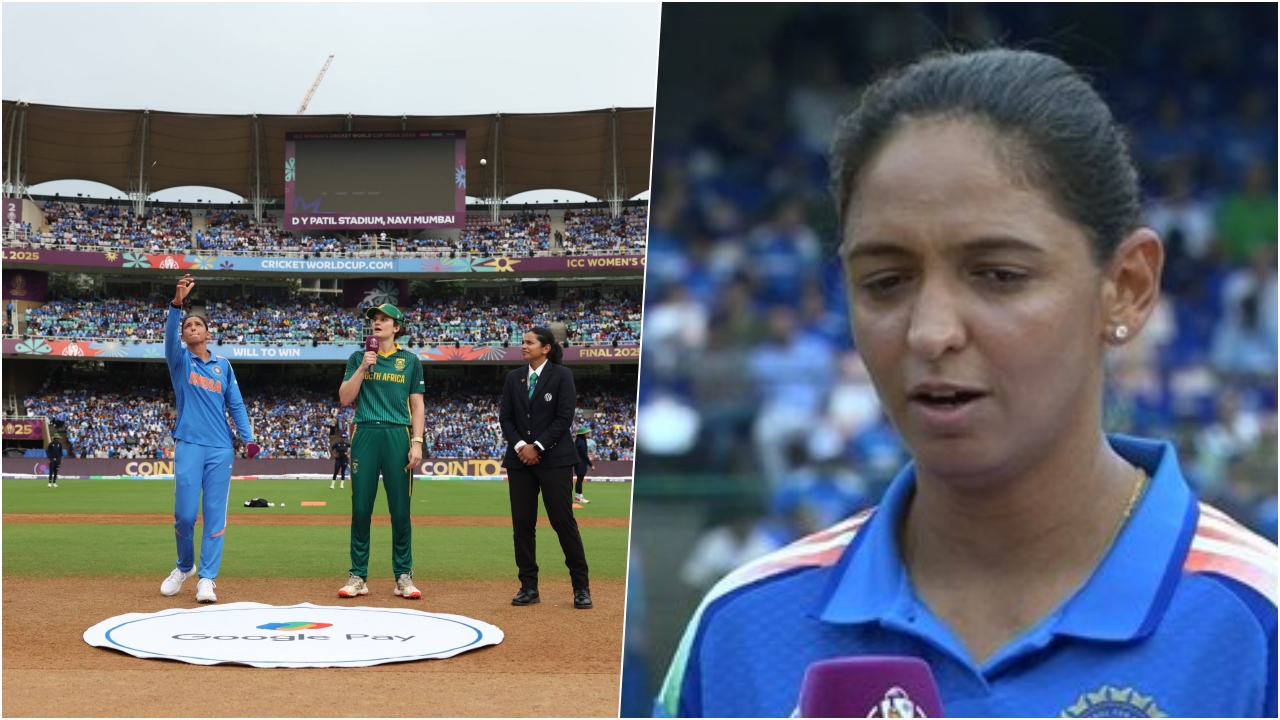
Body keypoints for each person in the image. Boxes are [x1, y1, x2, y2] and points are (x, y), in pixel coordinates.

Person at [658, 49, 1277, 718]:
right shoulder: (740, 630)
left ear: (1127, 288)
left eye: (999, 274)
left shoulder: (1255, 626)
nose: (930, 332)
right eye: (885, 282)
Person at [160, 274, 255, 604]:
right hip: (188, 443)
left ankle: (207, 579)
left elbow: (236, 404)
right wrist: (177, 304)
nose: (192, 329)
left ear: (208, 333)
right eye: (188, 326)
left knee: (215, 515)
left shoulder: (223, 366)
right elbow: (170, 336)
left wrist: (249, 437)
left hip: (220, 448)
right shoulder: (179, 361)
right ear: (184, 336)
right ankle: (184, 566)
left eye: (197, 325)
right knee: (185, 515)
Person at [336, 303, 425, 600]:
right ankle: (358, 576)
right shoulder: (357, 358)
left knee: (400, 510)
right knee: (361, 508)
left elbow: (417, 406)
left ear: (396, 327)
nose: (377, 323)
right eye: (374, 319)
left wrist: (417, 441)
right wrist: (363, 367)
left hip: (398, 434)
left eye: (384, 319)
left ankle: (403, 577)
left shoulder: (410, 360)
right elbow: (345, 399)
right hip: (365, 432)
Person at [499, 327, 592, 609]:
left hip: (555, 460)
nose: (523, 346)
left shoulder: (562, 376)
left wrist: (536, 447)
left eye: (529, 342)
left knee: (563, 522)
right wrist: (520, 448)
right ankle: (529, 587)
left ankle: (581, 587)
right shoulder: (513, 377)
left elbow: (564, 418)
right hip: (519, 461)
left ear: (546, 347)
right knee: (522, 524)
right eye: (523, 342)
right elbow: (506, 418)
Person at [573, 425, 595, 504]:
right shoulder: (581, 442)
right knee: (580, 480)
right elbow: (584, 455)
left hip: (578, 462)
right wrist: (591, 464)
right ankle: (579, 497)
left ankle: (578, 497)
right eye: (586, 433)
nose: (587, 434)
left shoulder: (578, 441)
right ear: (582, 434)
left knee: (579, 480)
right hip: (581, 463)